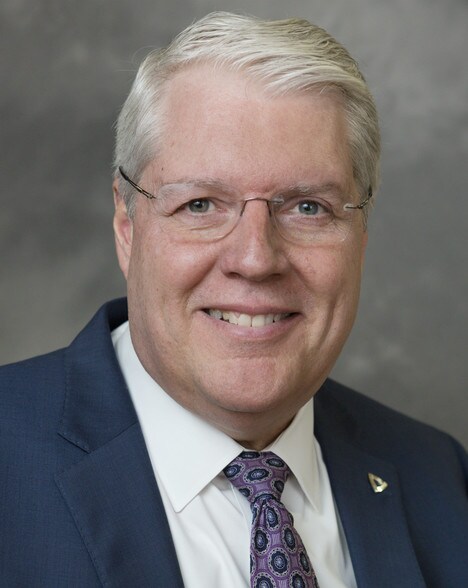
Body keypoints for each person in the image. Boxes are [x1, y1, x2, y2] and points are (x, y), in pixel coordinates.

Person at [1, 12, 466, 588]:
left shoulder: (443, 482)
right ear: (127, 225)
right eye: (200, 204)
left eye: (308, 208)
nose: (255, 258)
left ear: (361, 234)